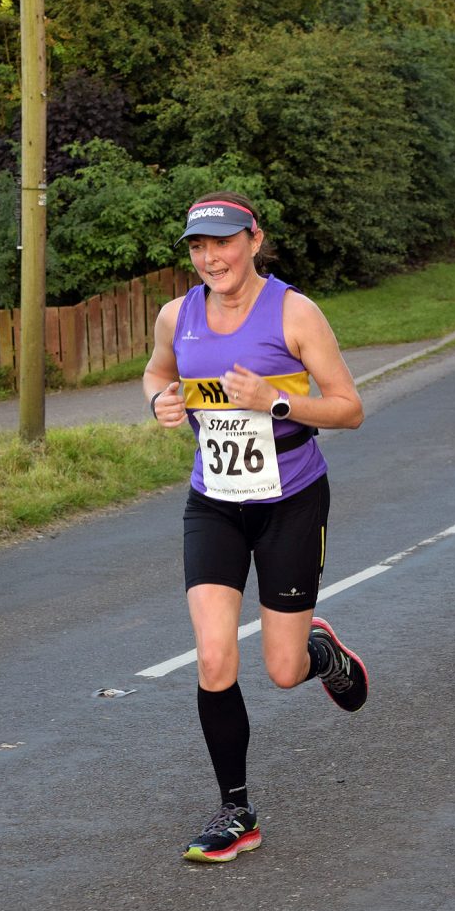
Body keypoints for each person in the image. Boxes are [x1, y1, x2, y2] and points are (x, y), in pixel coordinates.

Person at [143, 191, 369, 862]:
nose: (212, 257)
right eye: (199, 246)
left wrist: (275, 399)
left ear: (254, 238)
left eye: (224, 242)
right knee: (213, 654)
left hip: (291, 498)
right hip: (213, 500)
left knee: (280, 667)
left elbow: (349, 407)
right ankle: (235, 809)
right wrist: (158, 398)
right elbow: (158, 372)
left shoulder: (294, 313)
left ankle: (317, 653)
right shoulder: (176, 316)